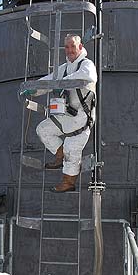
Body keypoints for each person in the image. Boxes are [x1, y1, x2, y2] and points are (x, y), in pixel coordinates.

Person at [21, 34, 97, 193]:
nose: (69, 50)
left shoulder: (86, 64)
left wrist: (63, 84)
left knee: (71, 148)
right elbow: (50, 80)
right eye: (67, 47)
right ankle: (59, 155)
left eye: (72, 46)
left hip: (82, 118)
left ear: (80, 47)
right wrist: (33, 90)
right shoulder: (65, 67)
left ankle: (68, 182)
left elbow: (89, 77)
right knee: (43, 130)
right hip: (67, 116)